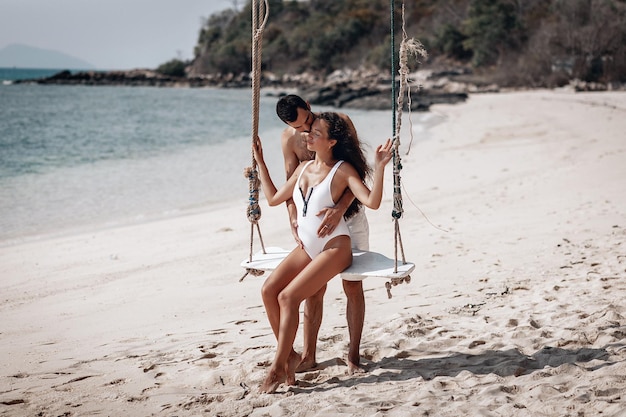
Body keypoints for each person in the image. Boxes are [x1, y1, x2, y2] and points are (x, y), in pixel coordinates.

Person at [252, 112, 392, 393]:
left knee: (288, 297)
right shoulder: (303, 168)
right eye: (309, 131)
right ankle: (290, 354)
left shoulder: (342, 170)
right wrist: (261, 164)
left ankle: (278, 368)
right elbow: (274, 199)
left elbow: (373, 202)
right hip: (307, 246)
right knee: (269, 291)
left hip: (335, 248)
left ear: (331, 142)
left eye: (315, 132)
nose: (308, 135)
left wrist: (380, 167)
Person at [275, 95, 369, 374]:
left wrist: (340, 208)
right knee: (312, 291)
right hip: (314, 226)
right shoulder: (290, 140)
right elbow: (290, 184)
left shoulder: (338, 124)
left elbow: (358, 174)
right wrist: (292, 217)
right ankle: (308, 355)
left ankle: (353, 355)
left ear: (308, 105)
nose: (306, 130)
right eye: (299, 127)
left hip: (350, 217)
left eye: (308, 121)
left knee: (352, 286)